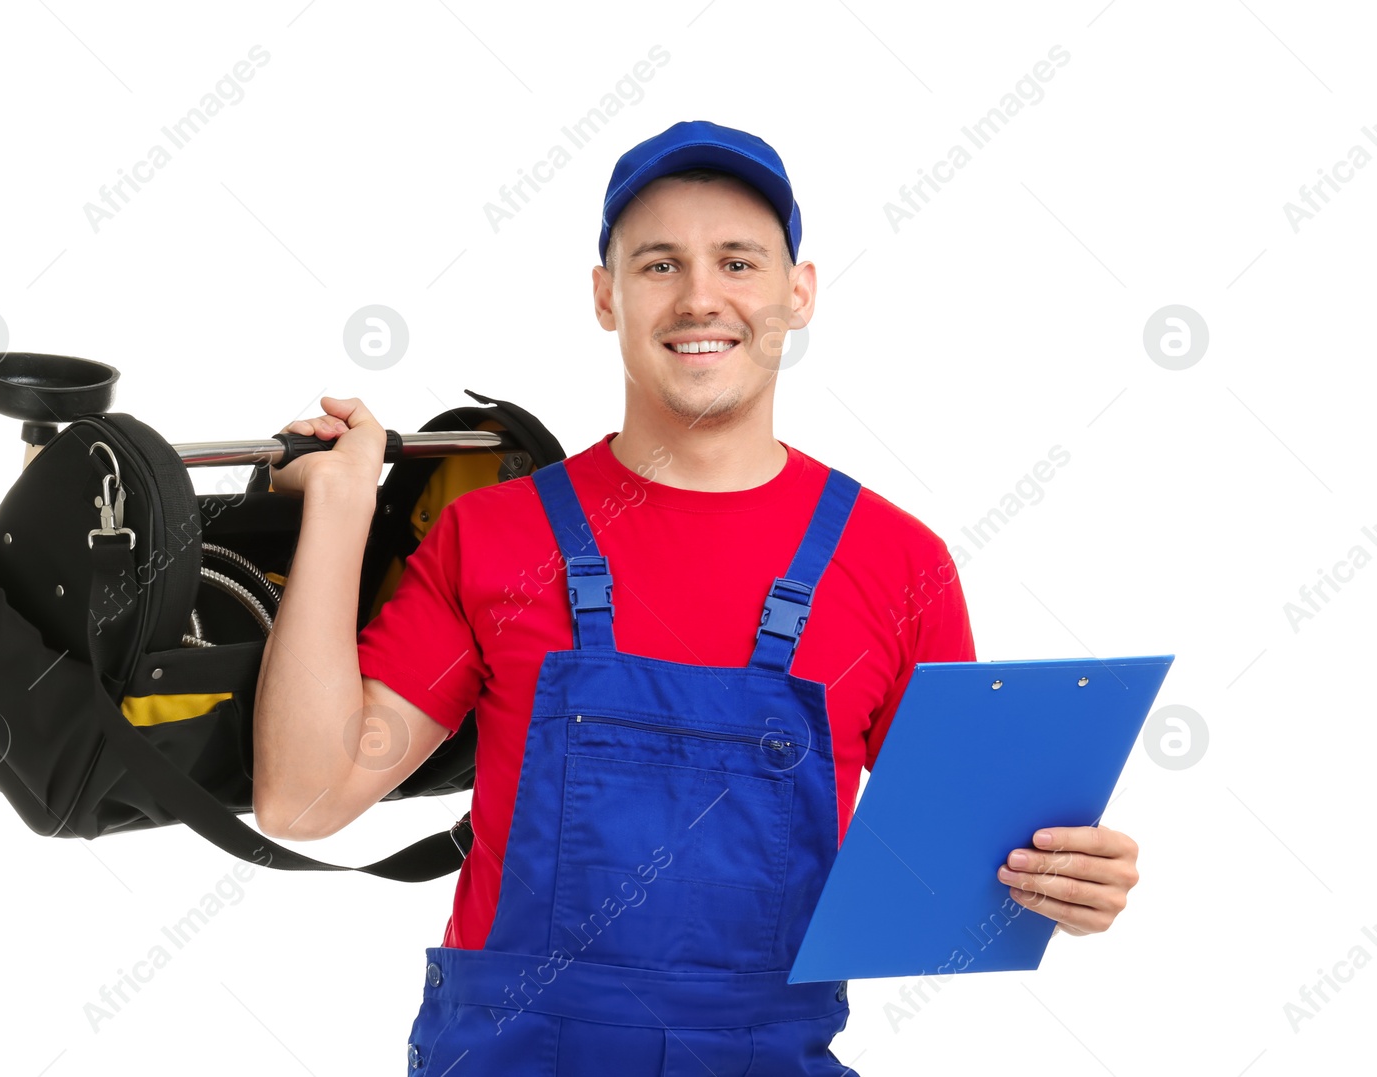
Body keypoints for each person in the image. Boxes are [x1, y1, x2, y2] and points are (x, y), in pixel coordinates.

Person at [253, 120, 1141, 1075]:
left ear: (798, 293)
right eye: (661, 264)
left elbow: (966, 868)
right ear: (606, 296)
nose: (702, 297)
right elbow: (302, 801)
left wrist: (1069, 880)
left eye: (739, 262)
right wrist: (340, 512)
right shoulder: (493, 537)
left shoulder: (898, 565)